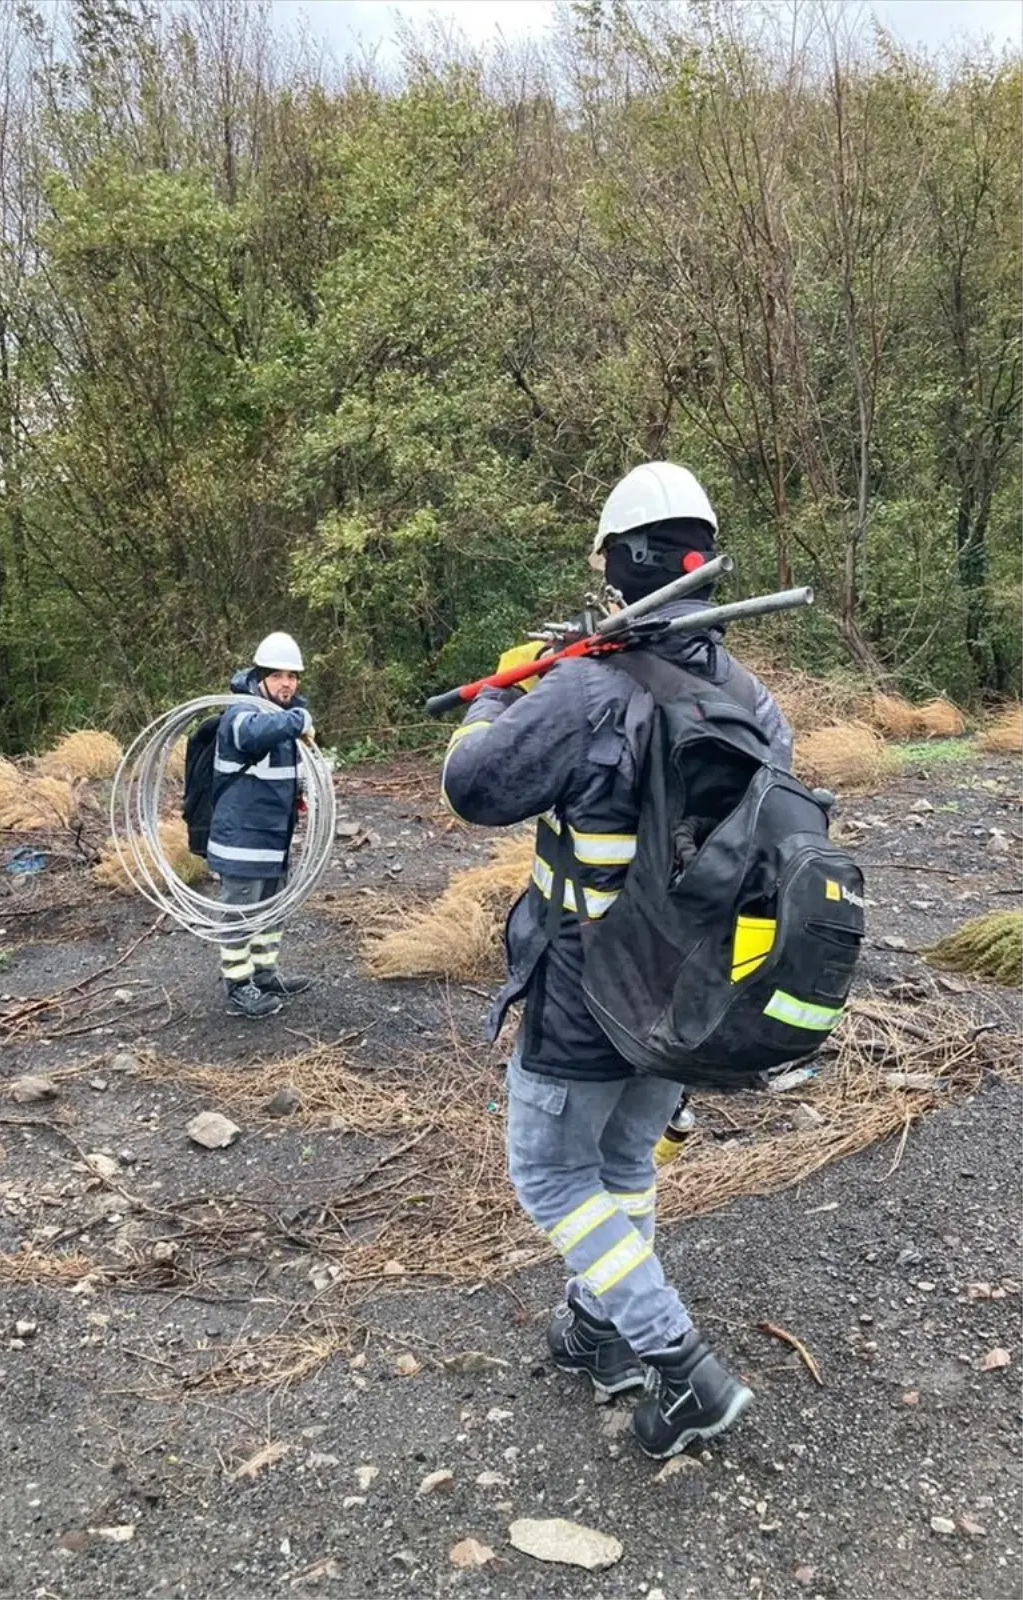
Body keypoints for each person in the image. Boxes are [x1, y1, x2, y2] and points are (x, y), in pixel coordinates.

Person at [440, 462, 793, 1459]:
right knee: (626, 1159)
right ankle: (600, 1330)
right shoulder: (754, 698)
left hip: (587, 985)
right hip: (690, 988)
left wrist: (502, 695)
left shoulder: (590, 685)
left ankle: (680, 1365)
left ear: (626, 563)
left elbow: (472, 784)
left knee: (551, 1173)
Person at [209, 631, 315, 1019]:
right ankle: (238, 987)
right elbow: (252, 735)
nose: (287, 683)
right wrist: (299, 718)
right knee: (240, 916)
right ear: (259, 677)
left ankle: (265, 975)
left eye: (292, 676)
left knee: (273, 910)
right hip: (242, 840)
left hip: (274, 838)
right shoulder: (242, 713)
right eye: (277, 676)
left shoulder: (282, 719)